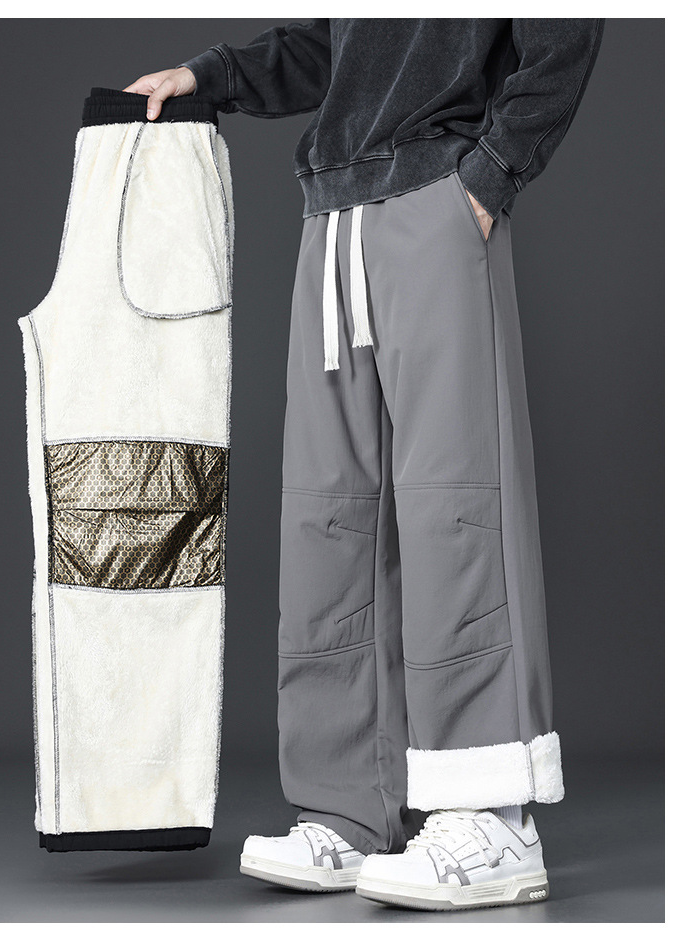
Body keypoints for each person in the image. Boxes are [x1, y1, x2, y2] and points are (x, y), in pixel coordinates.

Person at [125, 18, 604, 912]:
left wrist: (492, 173)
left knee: (457, 503)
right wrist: (212, 76)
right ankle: (350, 809)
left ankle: (492, 815)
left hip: (436, 194)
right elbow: (341, 43)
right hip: (333, 214)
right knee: (328, 520)